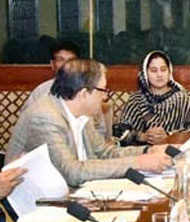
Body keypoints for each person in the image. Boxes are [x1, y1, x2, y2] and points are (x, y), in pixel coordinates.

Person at [7, 59, 171, 187]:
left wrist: (148, 150)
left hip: (76, 196)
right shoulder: (45, 116)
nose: (105, 97)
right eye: (104, 90)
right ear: (84, 93)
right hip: (38, 209)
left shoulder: (81, 113)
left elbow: (104, 152)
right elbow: (72, 172)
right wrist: (138, 163)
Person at [114, 50, 190, 146]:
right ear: (145, 73)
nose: (159, 75)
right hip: (143, 155)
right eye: (153, 70)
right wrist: (142, 136)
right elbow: (119, 132)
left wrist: (169, 135)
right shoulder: (137, 100)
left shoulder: (182, 99)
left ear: (169, 71)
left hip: (176, 154)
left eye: (163, 69)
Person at [20, 40, 79, 113]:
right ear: (52, 64)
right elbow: (27, 118)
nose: (66, 64)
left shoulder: (87, 90)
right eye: (61, 59)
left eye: (71, 60)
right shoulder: (41, 91)